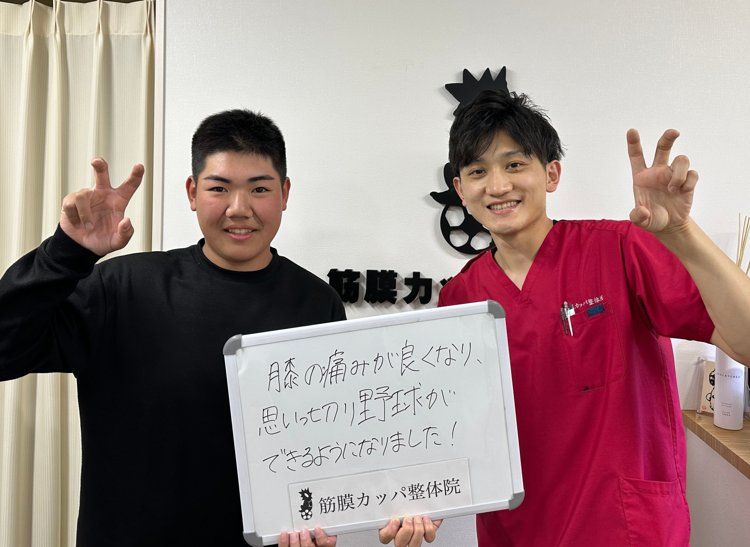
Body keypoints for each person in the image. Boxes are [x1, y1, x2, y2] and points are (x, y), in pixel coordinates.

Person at [0, 109, 433, 547]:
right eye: (219, 188)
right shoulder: (122, 286)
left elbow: (328, 440)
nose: (238, 209)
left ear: (284, 193)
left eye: (259, 189)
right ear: (192, 192)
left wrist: (371, 506)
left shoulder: (316, 302)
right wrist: (67, 253)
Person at [438, 90, 750, 546]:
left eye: (515, 164)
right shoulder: (459, 298)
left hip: (624, 527)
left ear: (551, 174)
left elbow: (743, 341)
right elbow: (455, 428)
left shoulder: (620, 249)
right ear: (461, 189)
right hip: (516, 531)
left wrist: (683, 233)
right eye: (478, 171)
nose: (498, 186)